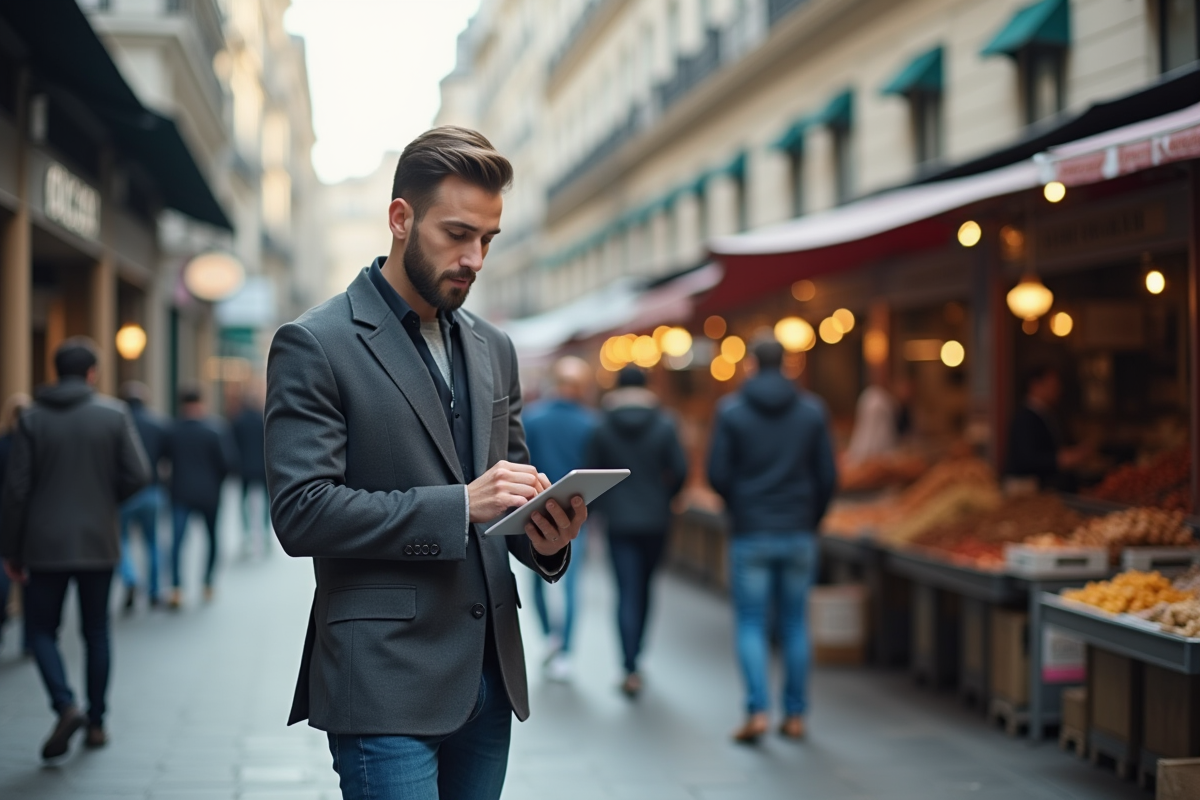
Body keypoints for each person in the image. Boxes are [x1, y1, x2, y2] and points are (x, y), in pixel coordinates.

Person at [265, 126, 585, 800]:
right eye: (457, 234)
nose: (474, 258)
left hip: (489, 677)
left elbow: (510, 492)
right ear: (400, 219)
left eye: (488, 240)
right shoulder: (315, 343)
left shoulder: (494, 344)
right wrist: (459, 504)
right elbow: (301, 512)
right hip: (382, 680)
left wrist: (545, 537)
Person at [0, 338, 149, 758]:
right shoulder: (113, 414)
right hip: (97, 540)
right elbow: (139, 474)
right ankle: (97, 722)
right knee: (96, 631)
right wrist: (105, 502)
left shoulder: (31, 418)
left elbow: (16, 490)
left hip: (42, 545)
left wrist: (11, 550)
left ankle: (65, 705)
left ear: (55, 370)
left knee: (42, 630)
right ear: (92, 373)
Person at [707, 337, 837, 744]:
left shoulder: (731, 411)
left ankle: (757, 710)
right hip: (798, 530)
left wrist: (741, 506)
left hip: (751, 532)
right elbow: (828, 476)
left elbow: (717, 473)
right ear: (788, 363)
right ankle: (796, 715)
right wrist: (809, 517)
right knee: (796, 623)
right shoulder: (812, 411)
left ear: (750, 364)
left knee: (750, 622)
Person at [585, 366, 687, 699]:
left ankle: (629, 665)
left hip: (618, 520)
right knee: (645, 587)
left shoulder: (603, 425)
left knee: (625, 590)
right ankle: (638, 655)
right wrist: (665, 499)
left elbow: (591, 472)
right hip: (656, 519)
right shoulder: (665, 423)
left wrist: (600, 511)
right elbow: (681, 470)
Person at [523, 356, 597, 682]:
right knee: (571, 584)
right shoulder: (591, 423)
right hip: (576, 513)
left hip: (536, 510)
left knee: (537, 576)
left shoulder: (532, 419)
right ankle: (564, 650)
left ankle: (549, 638)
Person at [164, 387, 236, 608]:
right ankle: (208, 583)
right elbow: (228, 463)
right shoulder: (214, 431)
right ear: (201, 403)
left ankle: (176, 588)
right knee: (212, 538)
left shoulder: (172, 431)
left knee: (177, 541)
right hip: (209, 494)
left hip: (180, 493)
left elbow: (163, 462)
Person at [118, 382, 169, 610]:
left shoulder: (118, 424)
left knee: (122, 541)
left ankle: (130, 578)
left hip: (124, 493)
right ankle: (155, 591)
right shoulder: (157, 424)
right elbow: (167, 460)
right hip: (152, 490)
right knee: (152, 542)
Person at [1004, 365, 1089, 491]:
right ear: (1035, 385)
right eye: (1052, 384)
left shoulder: (1048, 414)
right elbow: (1025, 458)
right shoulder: (1025, 417)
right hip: (1028, 490)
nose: (1057, 389)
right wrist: (1061, 459)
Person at [0, 392, 31, 650]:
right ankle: (29, 639)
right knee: (30, 580)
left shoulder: (3, 444)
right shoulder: (36, 446)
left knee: (4, 574)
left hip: (4, 517)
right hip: (31, 519)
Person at [230, 386, 270, 556]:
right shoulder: (263, 421)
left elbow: (232, 446)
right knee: (267, 502)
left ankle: (247, 534)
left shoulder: (238, 422)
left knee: (244, 502)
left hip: (244, 468)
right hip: (263, 467)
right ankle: (266, 533)